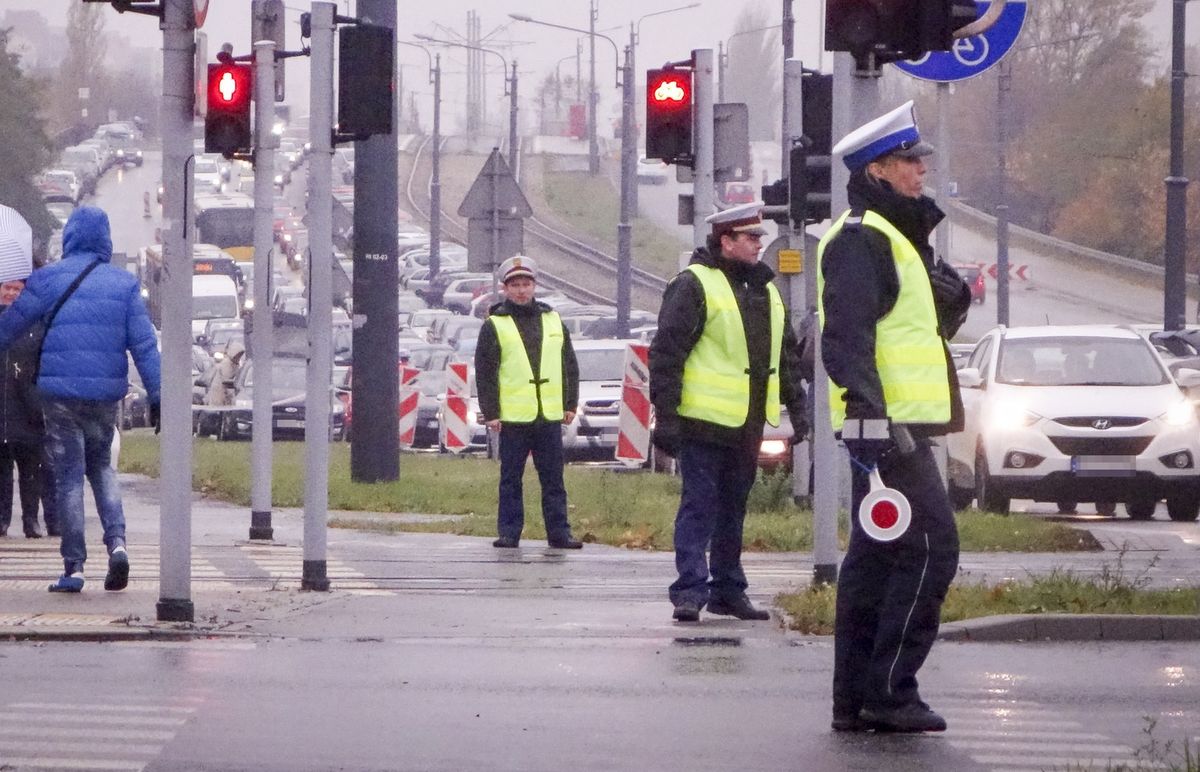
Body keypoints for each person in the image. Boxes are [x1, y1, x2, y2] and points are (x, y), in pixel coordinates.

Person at [818, 101, 971, 733]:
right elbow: (846, 339)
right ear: (879, 170)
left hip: (894, 425)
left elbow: (910, 329)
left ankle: (856, 700)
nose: (921, 173)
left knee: (876, 561)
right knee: (932, 548)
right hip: (886, 429)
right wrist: (872, 421)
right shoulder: (862, 238)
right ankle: (889, 690)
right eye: (911, 162)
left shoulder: (895, 237)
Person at [649, 201, 808, 624]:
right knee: (699, 506)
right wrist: (665, 416)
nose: (759, 245)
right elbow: (667, 353)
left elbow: (785, 358)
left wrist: (799, 410)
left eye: (759, 237)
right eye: (751, 238)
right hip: (702, 421)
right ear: (726, 240)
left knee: (733, 508)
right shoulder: (694, 285)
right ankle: (689, 591)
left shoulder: (767, 291)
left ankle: (728, 590)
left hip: (747, 422)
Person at [0, 206, 161, 593]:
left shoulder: (48, 280)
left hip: (58, 397)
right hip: (104, 398)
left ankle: (74, 568)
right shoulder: (123, 287)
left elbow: (8, 328)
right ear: (105, 240)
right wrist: (158, 395)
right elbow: (145, 347)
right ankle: (118, 545)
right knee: (103, 469)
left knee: (69, 477)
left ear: (69, 237)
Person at [475, 255, 583, 550]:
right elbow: (485, 372)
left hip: (548, 414)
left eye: (526, 284)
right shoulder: (495, 324)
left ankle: (559, 533)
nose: (521, 291)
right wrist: (491, 412)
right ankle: (509, 532)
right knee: (511, 478)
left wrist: (570, 403)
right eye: (515, 285)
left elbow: (568, 364)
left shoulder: (553, 319)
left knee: (553, 479)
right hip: (513, 416)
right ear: (505, 289)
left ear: (534, 286)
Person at [0, 278, 48, 539]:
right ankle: (2, 521)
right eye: (6, 287)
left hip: (28, 411)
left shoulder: (35, 325)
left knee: (31, 472)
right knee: (2, 473)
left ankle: (31, 520)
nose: (10, 293)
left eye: (16, 289)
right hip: (2, 411)